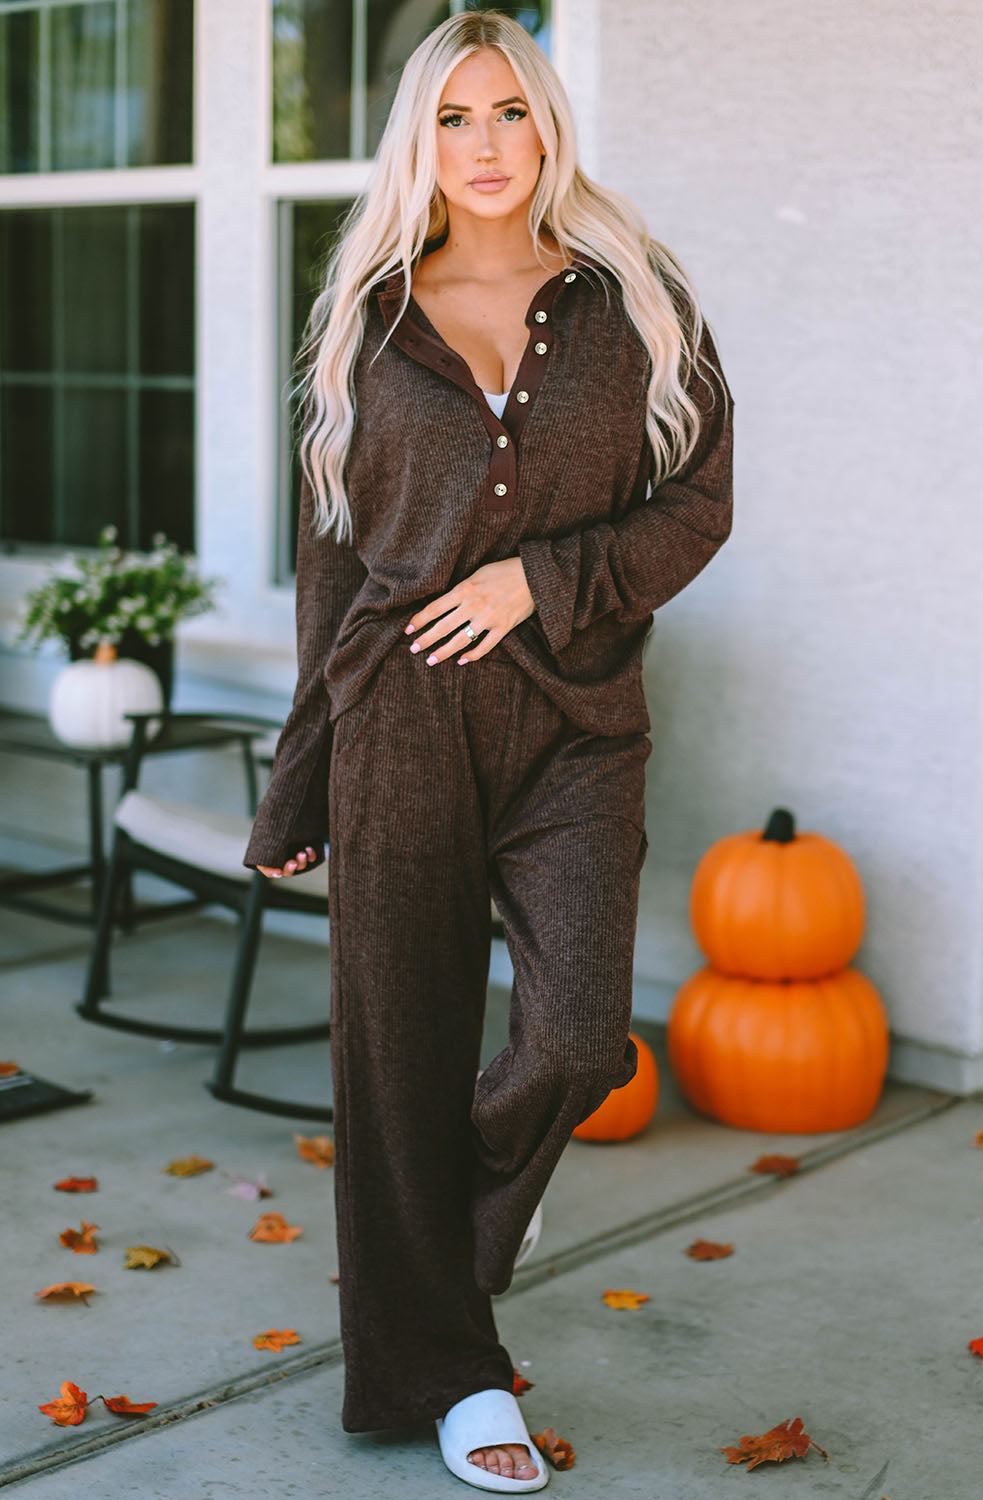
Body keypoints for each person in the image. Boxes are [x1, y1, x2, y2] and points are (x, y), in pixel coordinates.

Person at [243, 9, 733, 1492]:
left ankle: (414, 1275)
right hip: (397, 723)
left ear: (549, 125)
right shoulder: (368, 315)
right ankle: (457, 1374)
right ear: (419, 140)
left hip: (577, 727)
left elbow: (696, 501)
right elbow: (335, 561)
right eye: (453, 118)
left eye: (508, 112)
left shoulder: (634, 298)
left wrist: (544, 579)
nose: (484, 146)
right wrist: (301, 769)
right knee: (393, 1057)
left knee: (579, 1038)